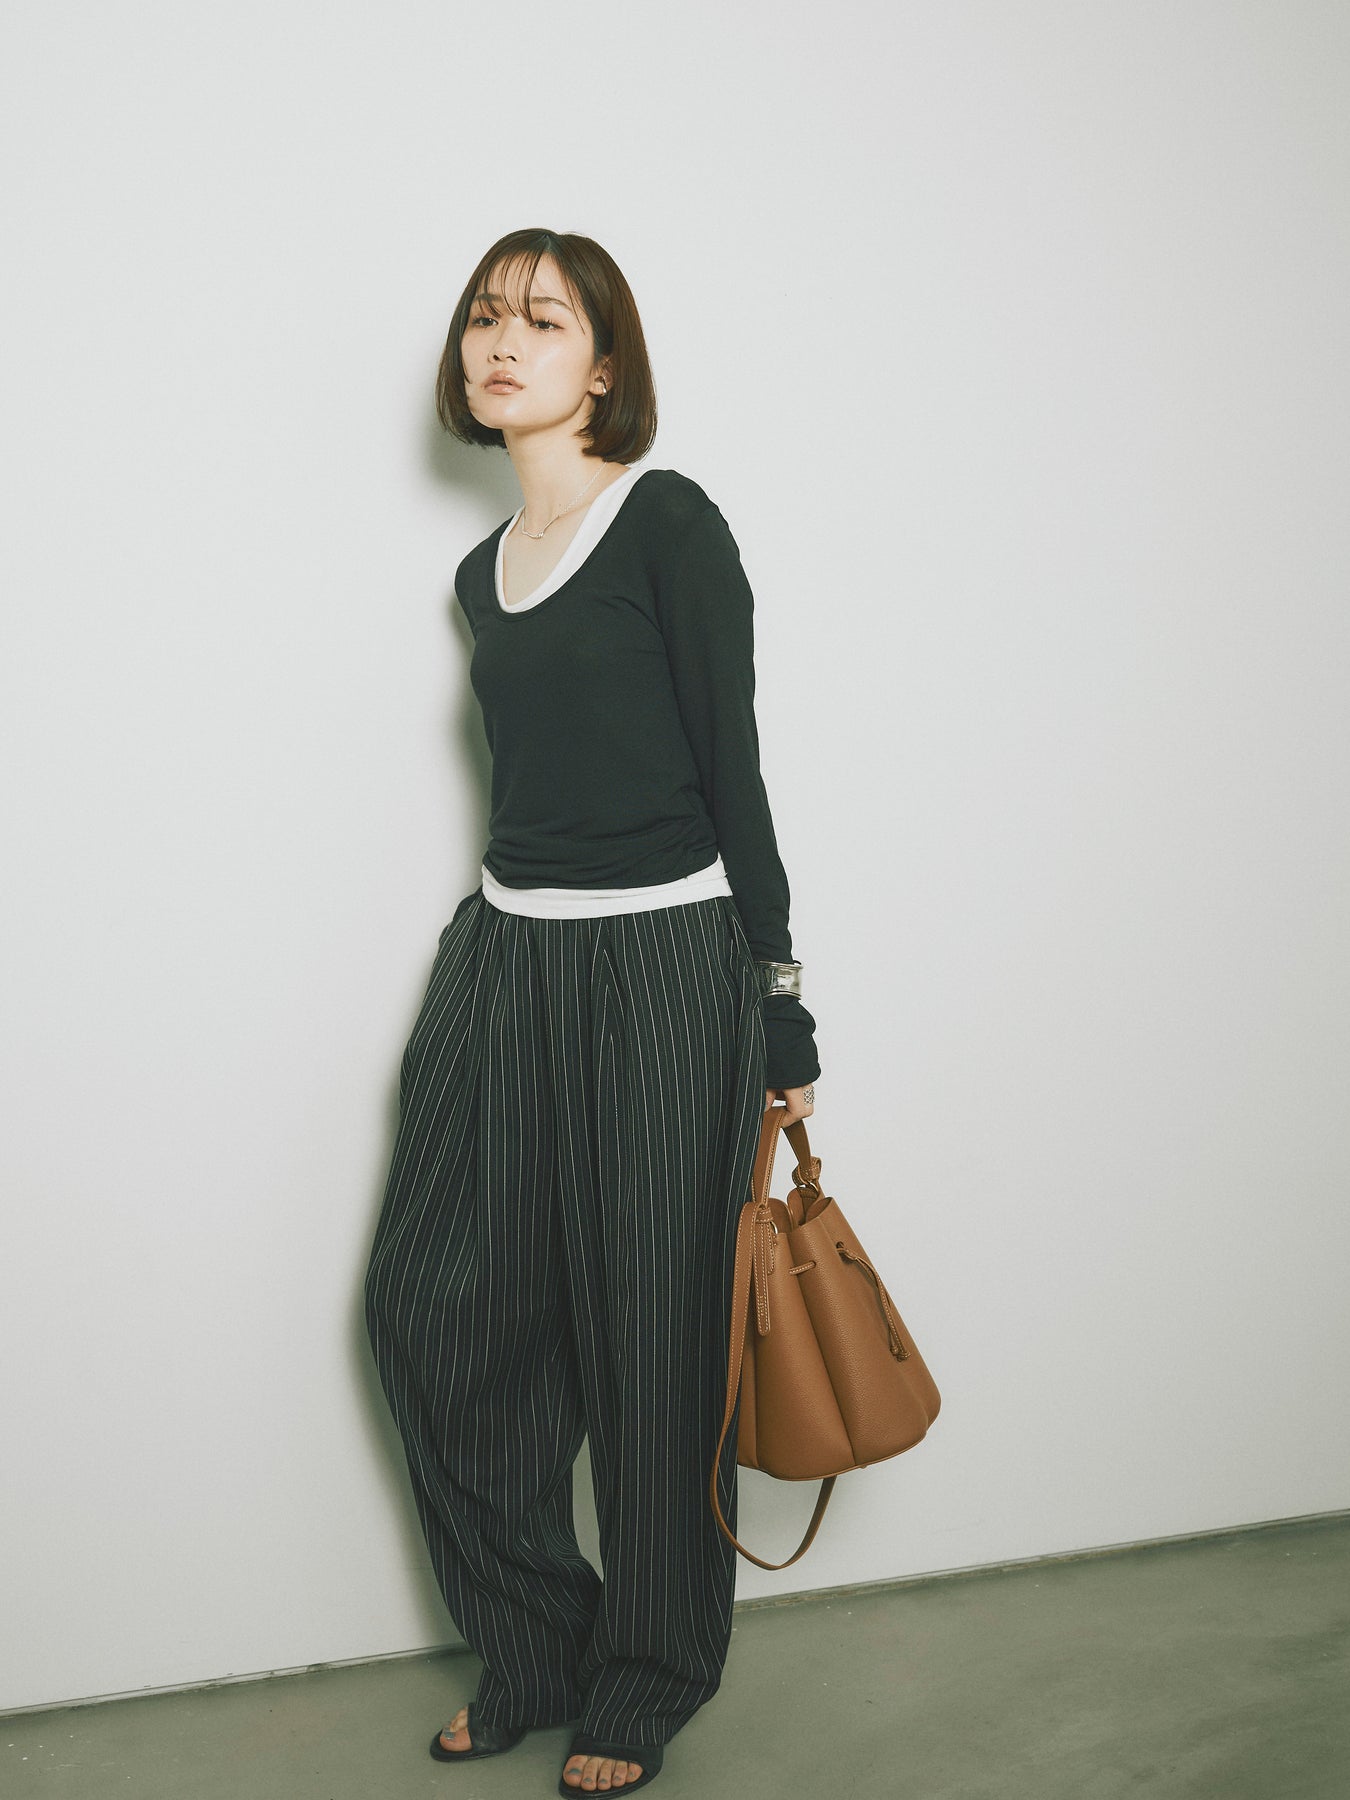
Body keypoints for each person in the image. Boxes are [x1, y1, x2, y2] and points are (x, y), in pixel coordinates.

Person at [363, 227, 820, 1797]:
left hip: (662, 963)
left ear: (603, 365)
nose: (502, 343)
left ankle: (648, 1670)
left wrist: (778, 1002)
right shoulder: (478, 574)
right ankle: (536, 1644)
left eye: (543, 321)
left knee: (649, 1338)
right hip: (504, 956)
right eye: (485, 318)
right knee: (432, 1307)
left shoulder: (667, 523)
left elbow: (732, 771)